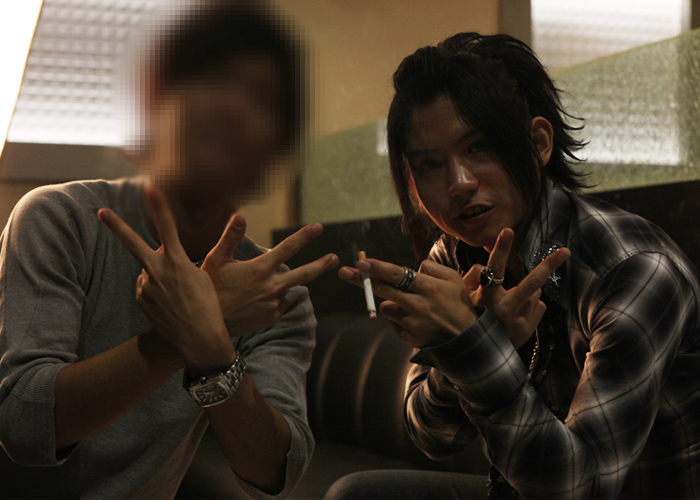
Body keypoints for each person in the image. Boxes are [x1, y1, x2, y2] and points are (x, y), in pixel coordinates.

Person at [334, 32, 700, 499]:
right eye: (429, 165)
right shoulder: (454, 255)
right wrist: (475, 346)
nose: (459, 183)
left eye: (479, 147)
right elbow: (433, 436)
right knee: (358, 493)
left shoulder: (633, 270)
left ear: (538, 143)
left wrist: (478, 349)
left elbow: (577, 488)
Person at [0, 1, 338, 498]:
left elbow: (274, 472)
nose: (232, 108)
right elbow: (23, 423)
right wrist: (188, 330)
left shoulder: (274, 294)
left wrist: (213, 349)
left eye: (262, 98)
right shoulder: (60, 218)